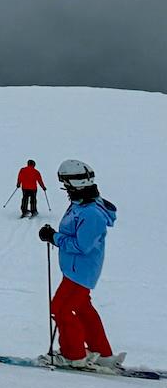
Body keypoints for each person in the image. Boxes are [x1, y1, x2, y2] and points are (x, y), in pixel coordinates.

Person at [43, 158, 120, 370]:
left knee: (61, 309)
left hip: (81, 271)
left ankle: (73, 355)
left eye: (66, 184)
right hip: (76, 269)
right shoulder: (82, 203)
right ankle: (102, 353)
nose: (65, 188)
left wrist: (54, 238)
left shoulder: (91, 212)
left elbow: (82, 246)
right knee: (82, 308)